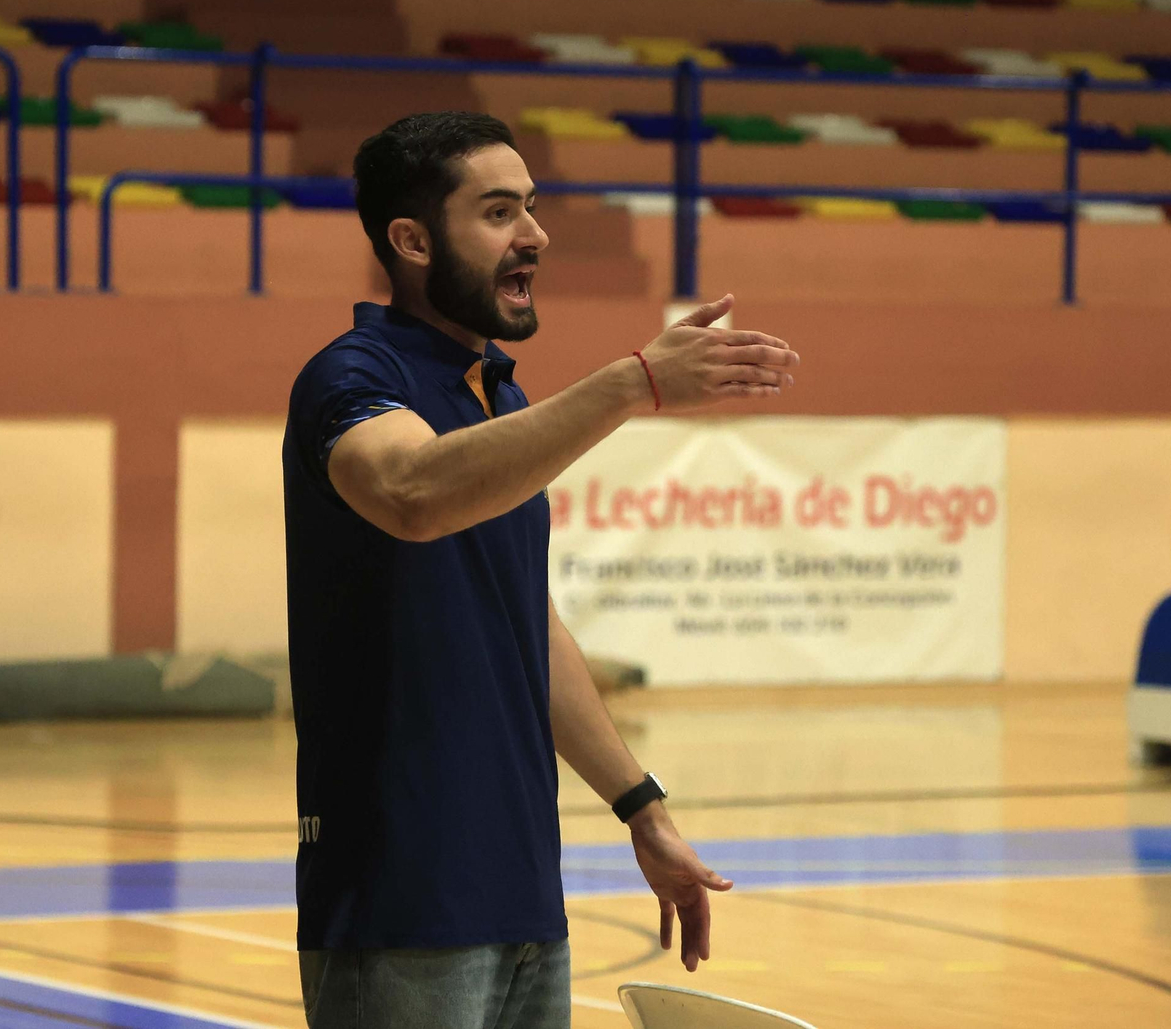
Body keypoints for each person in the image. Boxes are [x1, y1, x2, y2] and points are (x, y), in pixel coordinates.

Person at [283, 111, 798, 1029]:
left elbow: (524, 622)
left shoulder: (500, 396)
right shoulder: (350, 376)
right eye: (497, 212)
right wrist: (632, 384)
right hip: (401, 896)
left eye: (531, 206)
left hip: (523, 890)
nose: (535, 234)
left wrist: (640, 808)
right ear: (411, 240)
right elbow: (410, 491)